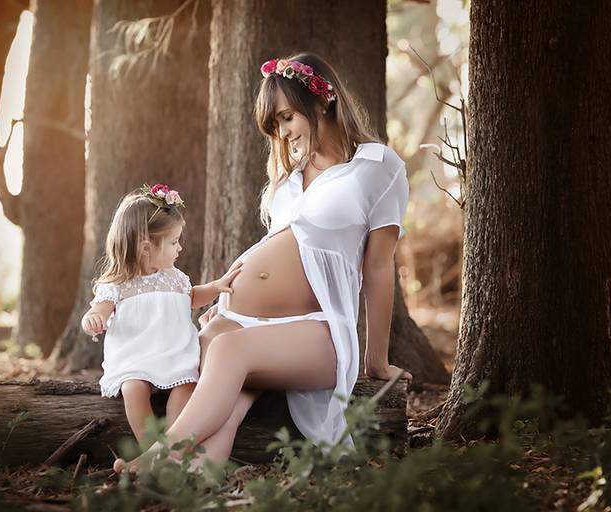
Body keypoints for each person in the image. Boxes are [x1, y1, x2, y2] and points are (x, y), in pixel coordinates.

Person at [114, 52, 411, 473]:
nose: (284, 132)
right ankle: (189, 479)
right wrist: (236, 301)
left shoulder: (378, 167)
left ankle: (158, 458)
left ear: (322, 98)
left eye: (288, 117)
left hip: (320, 330)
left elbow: (379, 267)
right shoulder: (292, 176)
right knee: (206, 349)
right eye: (276, 125)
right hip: (249, 321)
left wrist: (377, 359)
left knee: (230, 348)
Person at [81, 184, 242, 442]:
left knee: (186, 385)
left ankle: (172, 442)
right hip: (136, 355)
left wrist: (215, 287)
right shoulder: (118, 283)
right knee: (133, 388)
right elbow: (100, 308)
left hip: (175, 353)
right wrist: (93, 319)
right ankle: (149, 447)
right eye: (174, 242)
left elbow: (190, 298)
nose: (180, 248)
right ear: (146, 248)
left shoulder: (175, 279)